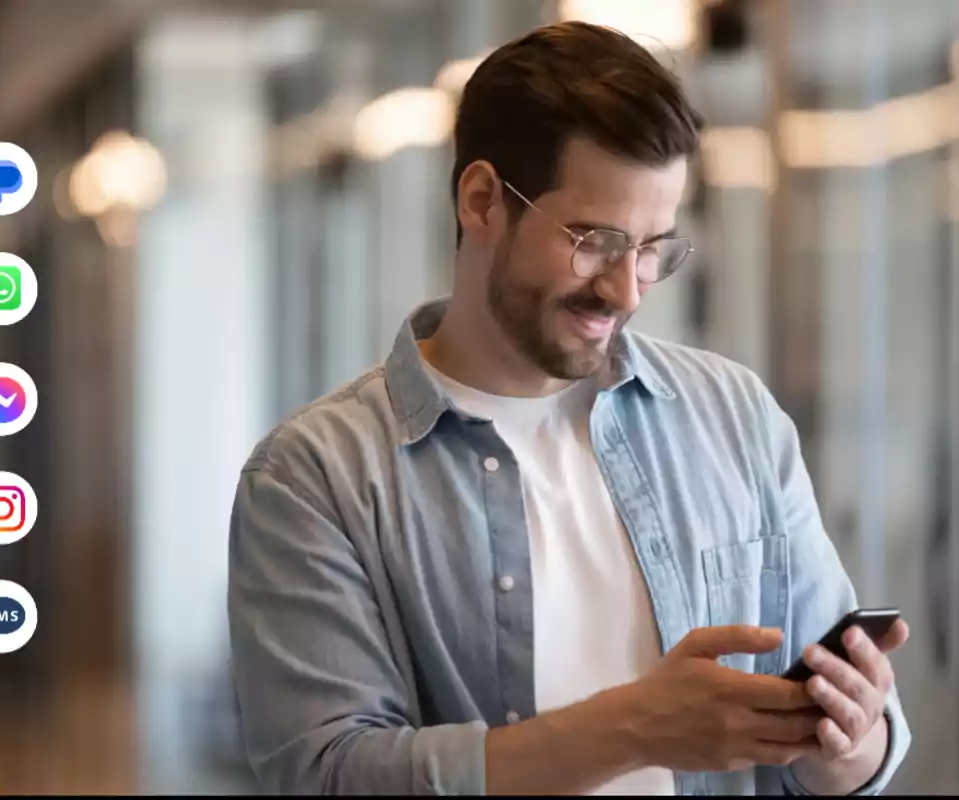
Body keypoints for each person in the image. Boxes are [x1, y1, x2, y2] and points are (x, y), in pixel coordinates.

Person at [227, 20, 912, 796]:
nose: (627, 290)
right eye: (595, 240)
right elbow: (329, 776)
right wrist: (632, 728)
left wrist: (848, 740)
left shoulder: (734, 416)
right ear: (483, 201)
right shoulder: (315, 478)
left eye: (654, 247)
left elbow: (851, 751)